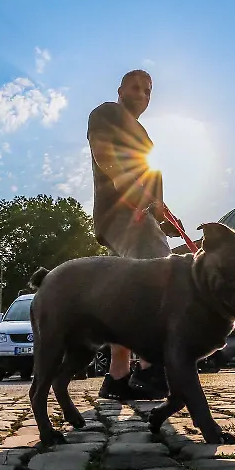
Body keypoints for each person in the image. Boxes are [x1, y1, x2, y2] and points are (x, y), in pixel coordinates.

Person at [87, 69, 183, 401]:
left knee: (126, 294)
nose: (142, 93)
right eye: (136, 87)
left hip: (140, 218)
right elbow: (107, 158)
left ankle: (118, 378)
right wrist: (143, 200)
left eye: (148, 89)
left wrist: (166, 216)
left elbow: (152, 187)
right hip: (123, 215)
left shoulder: (146, 138)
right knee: (160, 277)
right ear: (120, 90)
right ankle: (151, 369)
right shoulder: (106, 114)